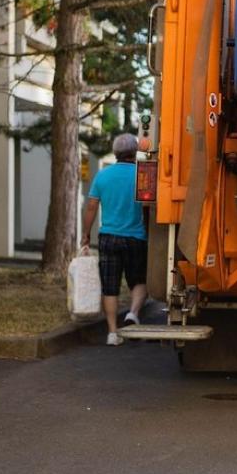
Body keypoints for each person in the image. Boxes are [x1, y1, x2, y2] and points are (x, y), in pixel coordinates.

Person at [81, 134, 149, 346]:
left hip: (108, 237)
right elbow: (149, 208)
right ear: (134, 152)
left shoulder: (103, 175)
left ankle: (112, 333)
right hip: (136, 237)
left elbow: (91, 206)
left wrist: (86, 233)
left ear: (116, 152)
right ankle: (133, 313)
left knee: (110, 286)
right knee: (139, 280)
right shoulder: (142, 175)